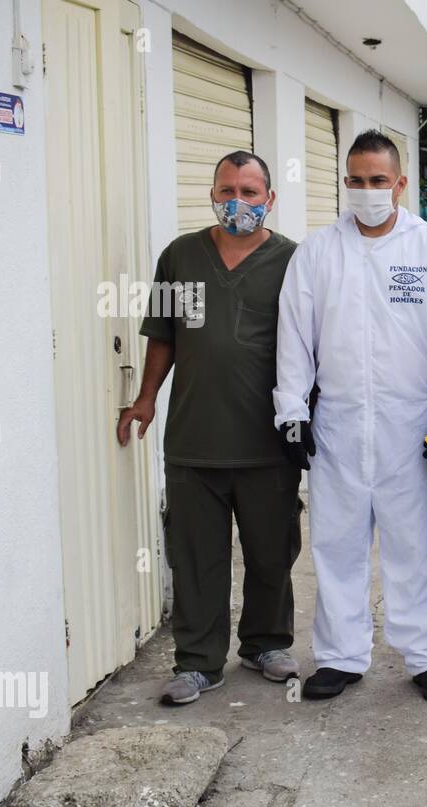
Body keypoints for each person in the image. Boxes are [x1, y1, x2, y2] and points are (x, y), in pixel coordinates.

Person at [274, 130, 427, 703]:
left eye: (379, 181)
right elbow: (294, 337)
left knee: (418, 542)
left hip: (412, 422)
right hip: (337, 421)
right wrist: (291, 410)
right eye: (355, 181)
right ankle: (340, 656)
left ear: (400, 184)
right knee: (337, 542)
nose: (366, 191)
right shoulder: (317, 253)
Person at [117, 150, 302, 705]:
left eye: (249, 192)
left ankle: (265, 643)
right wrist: (145, 397)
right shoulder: (180, 257)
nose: (237, 202)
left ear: (270, 199)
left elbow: (313, 345)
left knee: (272, 551)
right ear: (212, 194)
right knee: (196, 556)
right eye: (227, 190)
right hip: (195, 442)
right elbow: (164, 336)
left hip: (268, 442)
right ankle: (198, 661)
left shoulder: (294, 261)